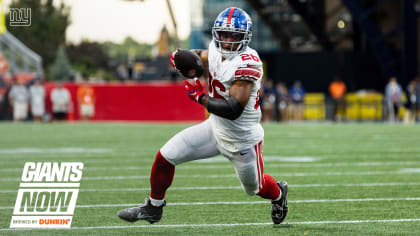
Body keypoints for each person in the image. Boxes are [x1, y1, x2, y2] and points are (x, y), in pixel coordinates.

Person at [117, 7, 288, 225]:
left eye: (234, 35)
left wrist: (199, 97)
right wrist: (181, 58)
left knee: (256, 188)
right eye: (224, 34)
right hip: (215, 127)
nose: (227, 40)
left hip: (241, 139)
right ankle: (154, 207)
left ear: (245, 37)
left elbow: (232, 108)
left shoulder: (248, 62)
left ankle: (279, 195)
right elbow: (199, 59)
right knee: (165, 157)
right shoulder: (215, 50)